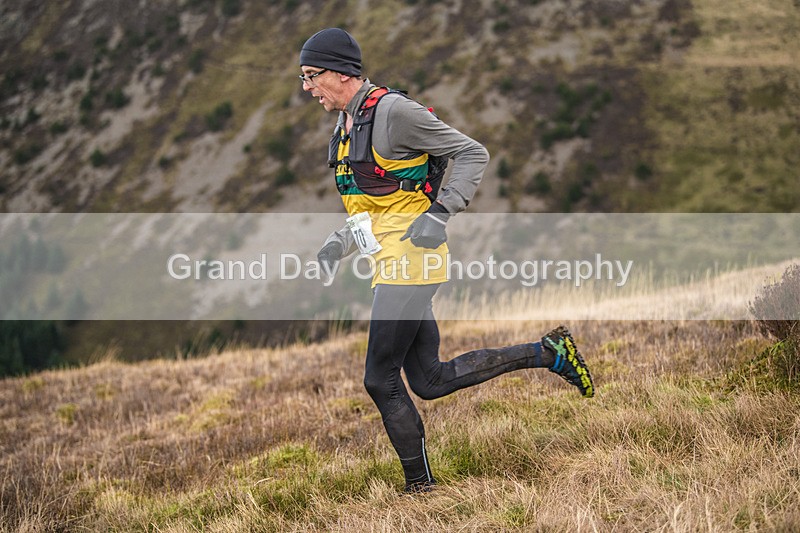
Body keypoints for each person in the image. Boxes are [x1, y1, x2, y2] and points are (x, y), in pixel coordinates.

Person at [299, 28, 594, 493]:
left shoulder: (394, 112)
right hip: (390, 260)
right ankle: (549, 352)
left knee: (379, 379)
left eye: (311, 75)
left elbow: (472, 152)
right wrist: (340, 242)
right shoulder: (346, 124)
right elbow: (378, 203)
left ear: (341, 71)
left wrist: (441, 212)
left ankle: (421, 488)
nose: (307, 87)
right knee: (429, 379)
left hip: (411, 261)